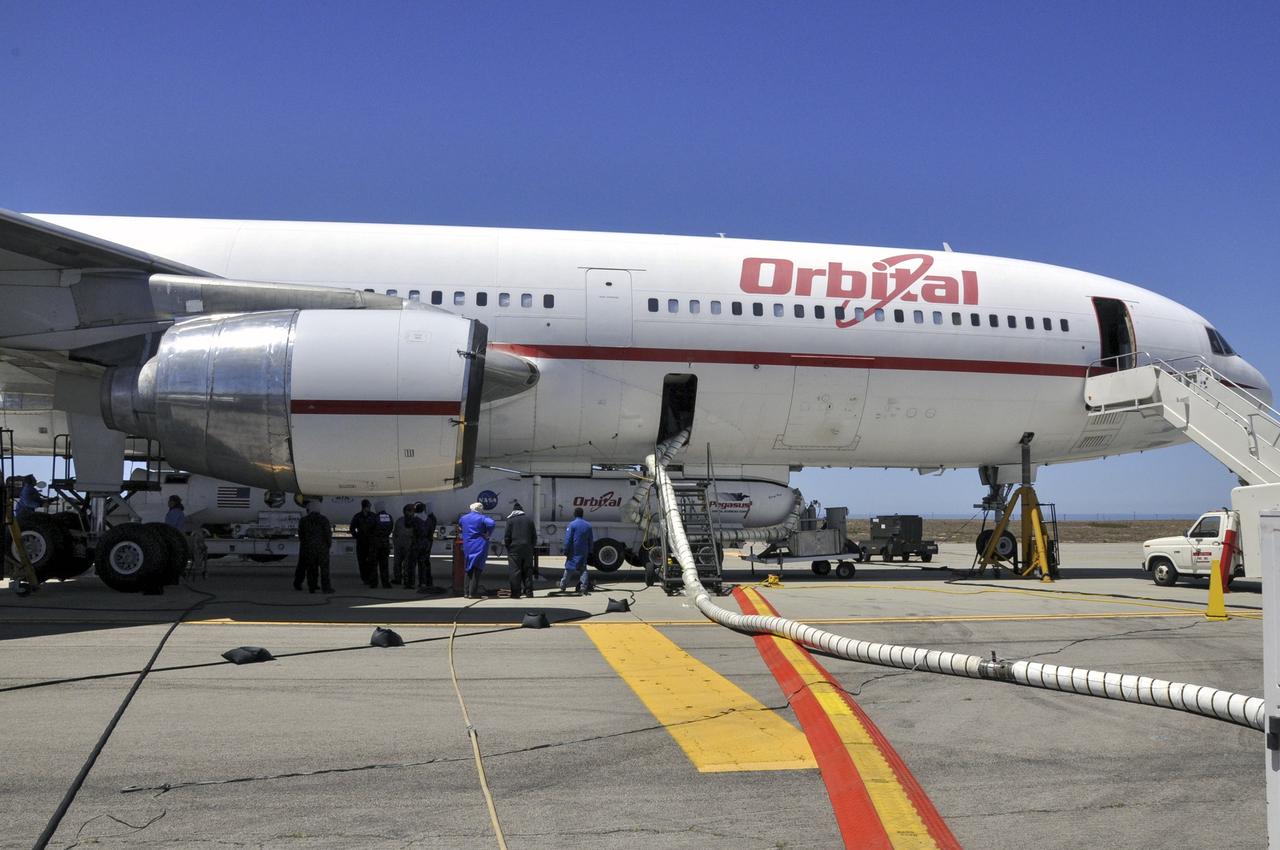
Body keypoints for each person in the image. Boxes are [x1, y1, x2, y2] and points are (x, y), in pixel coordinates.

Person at [458, 501, 495, 598]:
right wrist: (488, 533)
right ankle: (472, 593)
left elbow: (460, 525)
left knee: (468, 568)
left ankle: (465, 592)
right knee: (477, 569)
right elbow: (492, 523)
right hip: (480, 545)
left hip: (468, 546)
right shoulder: (482, 518)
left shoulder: (464, 518)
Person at [295, 501, 334, 593]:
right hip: (322, 548)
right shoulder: (324, 519)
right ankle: (326, 587)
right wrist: (328, 544)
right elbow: (328, 534)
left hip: (309, 548)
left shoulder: (304, 520)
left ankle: (312, 587)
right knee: (324, 569)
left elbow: (301, 535)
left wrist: (305, 544)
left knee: (311, 568)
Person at [503, 501, 537, 599]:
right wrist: (531, 547)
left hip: (514, 549)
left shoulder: (510, 521)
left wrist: (508, 547)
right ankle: (529, 592)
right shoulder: (529, 520)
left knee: (515, 571)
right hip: (527, 549)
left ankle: (515, 593)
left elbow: (507, 537)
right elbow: (534, 536)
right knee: (528, 571)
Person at [561, 507, 593, 595]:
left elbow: (568, 539)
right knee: (583, 569)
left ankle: (563, 586)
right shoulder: (588, 525)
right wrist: (590, 551)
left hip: (573, 550)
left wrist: (565, 550)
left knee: (569, 568)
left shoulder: (572, 525)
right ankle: (583, 587)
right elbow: (590, 540)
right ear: (582, 514)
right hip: (584, 551)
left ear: (575, 514)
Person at [349, 499, 378, 587]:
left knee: (371, 562)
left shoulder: (373, 516)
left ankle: (371, 579)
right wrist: (357, 536)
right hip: (361, 542)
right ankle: (365, 578)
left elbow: (377, 527)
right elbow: (352, 528)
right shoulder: (358, 516)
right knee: (362, 562)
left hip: (371, 542)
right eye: (368, 506)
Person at [409, 502, 438, 591]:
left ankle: (411, 583)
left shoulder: (415, 519)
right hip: (425, 543)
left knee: (412, 563)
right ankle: (423, 582)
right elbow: (430, 533)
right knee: (422, 563)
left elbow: (409, 526)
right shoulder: (428, 519)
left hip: (417, 543)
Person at [371, 501, 394, 588]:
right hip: (385, 543)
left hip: (375, 543)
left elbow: (370, 528)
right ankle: (385, 583)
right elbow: (391, 528)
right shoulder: (389, 517)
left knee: (374, 564)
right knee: (384, 564)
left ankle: (374, 583)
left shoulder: (375, 517)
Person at [392, 504, 414, 585]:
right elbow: (395, 533)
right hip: (399, 545)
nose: (410, 513)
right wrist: (395, 542)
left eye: (411, 511)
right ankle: (397, 579)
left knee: (407, 564)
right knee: (397, 563)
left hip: (409, 546)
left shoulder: (415, 521)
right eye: (409, 511)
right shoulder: (399, 521)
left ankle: (407, 580)